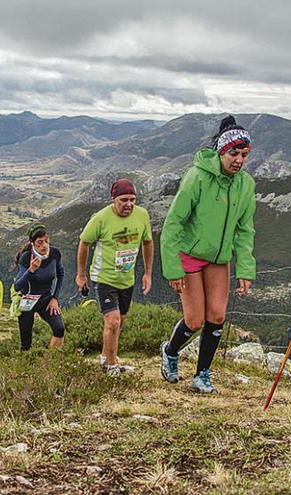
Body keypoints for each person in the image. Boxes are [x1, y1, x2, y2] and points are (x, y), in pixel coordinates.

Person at [159, 115, 257, 394]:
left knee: (217, 315)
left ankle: (202, 375)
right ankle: (170, 350)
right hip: (189, 254)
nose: (239, 160)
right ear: (221, 151)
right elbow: (173, 223)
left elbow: (244, 229)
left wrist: (246, 269)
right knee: (195, 320)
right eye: (233, 153)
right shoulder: (197, 177)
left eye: (244, 154)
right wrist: (172, 268)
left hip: (219, 257)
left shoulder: (245, 185)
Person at [76, 178, 154, 376]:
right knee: (113, 321)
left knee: (120, 322)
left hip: (127, 279)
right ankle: (112, 365)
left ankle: (105, 356)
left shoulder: (142, 215)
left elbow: (147, 242)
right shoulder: (100, 218)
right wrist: (81, 275)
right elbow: (84, 243)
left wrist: (147, 273)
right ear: (114, 200)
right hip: (104, 277)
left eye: (132, 200)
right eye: (123, 200)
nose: (128, 204)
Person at [13, 224, 66, 350]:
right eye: (40, 242)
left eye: (47, 241)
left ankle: (49, 362)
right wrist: (31, 270)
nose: (44, 246)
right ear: (32, 243)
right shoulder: (26, 258)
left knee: (59, 329)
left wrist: (55, 298)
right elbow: (17, 286)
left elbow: (61, 274)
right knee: (26, 344)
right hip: (27, 301)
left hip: (46, 299)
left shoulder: (54, 253)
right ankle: (26, 367)